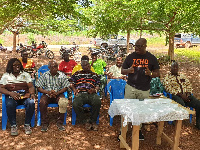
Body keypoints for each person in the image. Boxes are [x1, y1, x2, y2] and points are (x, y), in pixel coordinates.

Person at [121, 38, 160, 140]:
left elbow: (158, 73)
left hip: (144, 89)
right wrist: (128, 70)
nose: (136, 48)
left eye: (139, 46)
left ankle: (138, 131)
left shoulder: (151, 58)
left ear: (145, 46)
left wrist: (150, 73)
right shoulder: (130, 57)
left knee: (140, 111)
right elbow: (122, 71)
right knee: (127, 110)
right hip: (131, 88)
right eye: (135, 46)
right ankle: (124, 131)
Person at [0, 58, 35, 136]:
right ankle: (13, 125)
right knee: (9, 104)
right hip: (12, 96)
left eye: (18, 65)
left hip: (24, 96)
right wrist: (10, 93)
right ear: (10, 66)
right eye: (14, 65)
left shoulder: (25, 74)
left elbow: (31, 87)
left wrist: (31, 93)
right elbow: (1, 88)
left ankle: (27, 124)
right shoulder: (6, 76)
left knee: (31, 102)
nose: (17, 67)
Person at [162, 61, 200, 129]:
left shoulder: (182, 76)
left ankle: (198, 125)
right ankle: (176, 122)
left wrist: (188, 93)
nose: (175, 68)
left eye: (176, 67)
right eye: (173, 67)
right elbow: (168, 88)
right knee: (181, 103)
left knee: (198, 104)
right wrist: (180, 95)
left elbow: (188, 85)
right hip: (175, 96)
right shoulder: (167, 78)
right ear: (170, 68)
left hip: (186, 95)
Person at [36, 61, 70, 132]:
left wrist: (58, 92)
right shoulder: (45, 75)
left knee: (63, 101)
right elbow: (38, 87)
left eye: (56, 66)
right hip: (47, 94)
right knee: (42, 102)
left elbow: (66, 86)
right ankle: (45, 123)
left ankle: (60, 122)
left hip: (58, 93)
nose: (54, 68)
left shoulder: (61, 75)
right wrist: (47, 92)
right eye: (52, 67)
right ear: (49, 67)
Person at [70, 60, 101, 131]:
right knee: (76, 104)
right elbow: (71, 83)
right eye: (86, 65)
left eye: (88, 64)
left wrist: (95, 90)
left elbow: (98, 84)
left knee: (97, 102)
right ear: (82, 66)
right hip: (80, 93)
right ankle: (85, 121)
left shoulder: (94, 75)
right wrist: (75, 90)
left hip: (91, 93)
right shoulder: (77, 74)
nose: (88, 66)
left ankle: (93, 121)